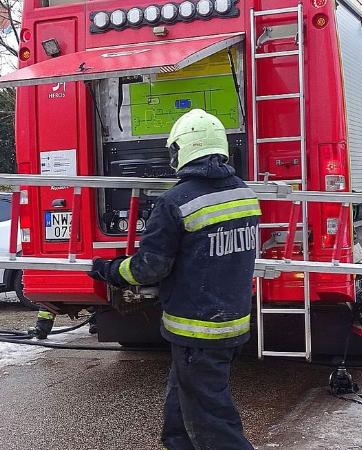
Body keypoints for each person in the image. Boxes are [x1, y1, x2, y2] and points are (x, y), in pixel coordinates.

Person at [87, 109, 259, 449]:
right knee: (181, 410)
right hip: (232, 322)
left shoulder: (175, 202)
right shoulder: (243, 194)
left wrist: (109, 270)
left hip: (197, 330)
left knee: (213, 421)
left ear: (181, 151)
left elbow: (148, 269)